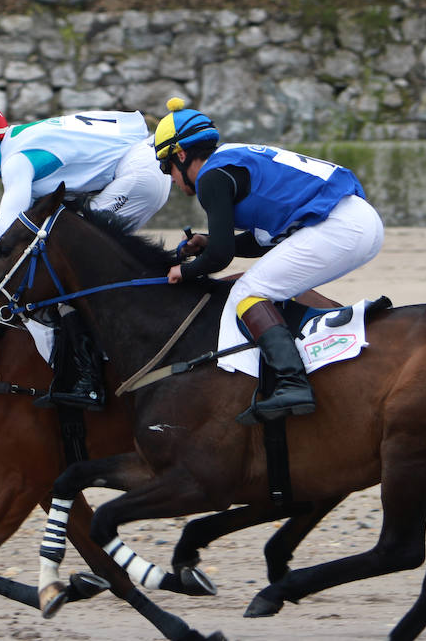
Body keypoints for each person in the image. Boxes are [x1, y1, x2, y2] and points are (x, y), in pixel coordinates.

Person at [0, 100, 171, 409]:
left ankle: (91, 377)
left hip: (138, 177)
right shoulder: (18, 145)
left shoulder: (16, 160)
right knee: (60, 254)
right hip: (140, 167)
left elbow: (6, 228)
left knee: (66, 258)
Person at [156, 97, 384, 424]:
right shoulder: (231, 159)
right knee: (268, 285)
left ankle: (291, 383)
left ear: (181, 155)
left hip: (338, 226)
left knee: (247, 291)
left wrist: (185, 270)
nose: (173, 180)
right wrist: (207, 240)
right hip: (356, 221)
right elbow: (261, 243)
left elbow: (221, 257)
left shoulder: (211, 178)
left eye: (168, 169)